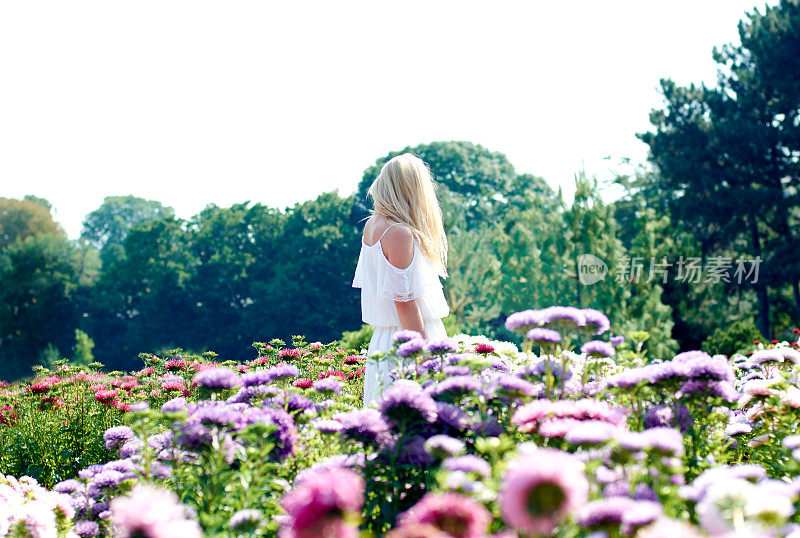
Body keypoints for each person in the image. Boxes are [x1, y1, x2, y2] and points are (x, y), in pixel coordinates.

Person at [352, 153, 450, 406]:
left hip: (387, 340)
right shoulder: (398, 232)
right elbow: (404, 302)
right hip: (408, 342)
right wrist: (424, 357)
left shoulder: (374, 225)